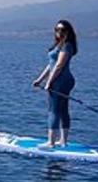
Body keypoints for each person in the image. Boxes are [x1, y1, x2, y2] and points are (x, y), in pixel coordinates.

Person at [32, 19, 78, 147]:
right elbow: (50, 65)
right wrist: (40, 79)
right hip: (61, 79)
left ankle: (51, 142)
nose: (59, 32)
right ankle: (62, 141)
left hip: (61, 80)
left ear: (68, 32)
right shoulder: (59, 45)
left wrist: (49, 82)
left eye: (62, 30)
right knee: (62, 110)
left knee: (53, 110)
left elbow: (58, 65)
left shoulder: (67, 45)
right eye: (57, 29)